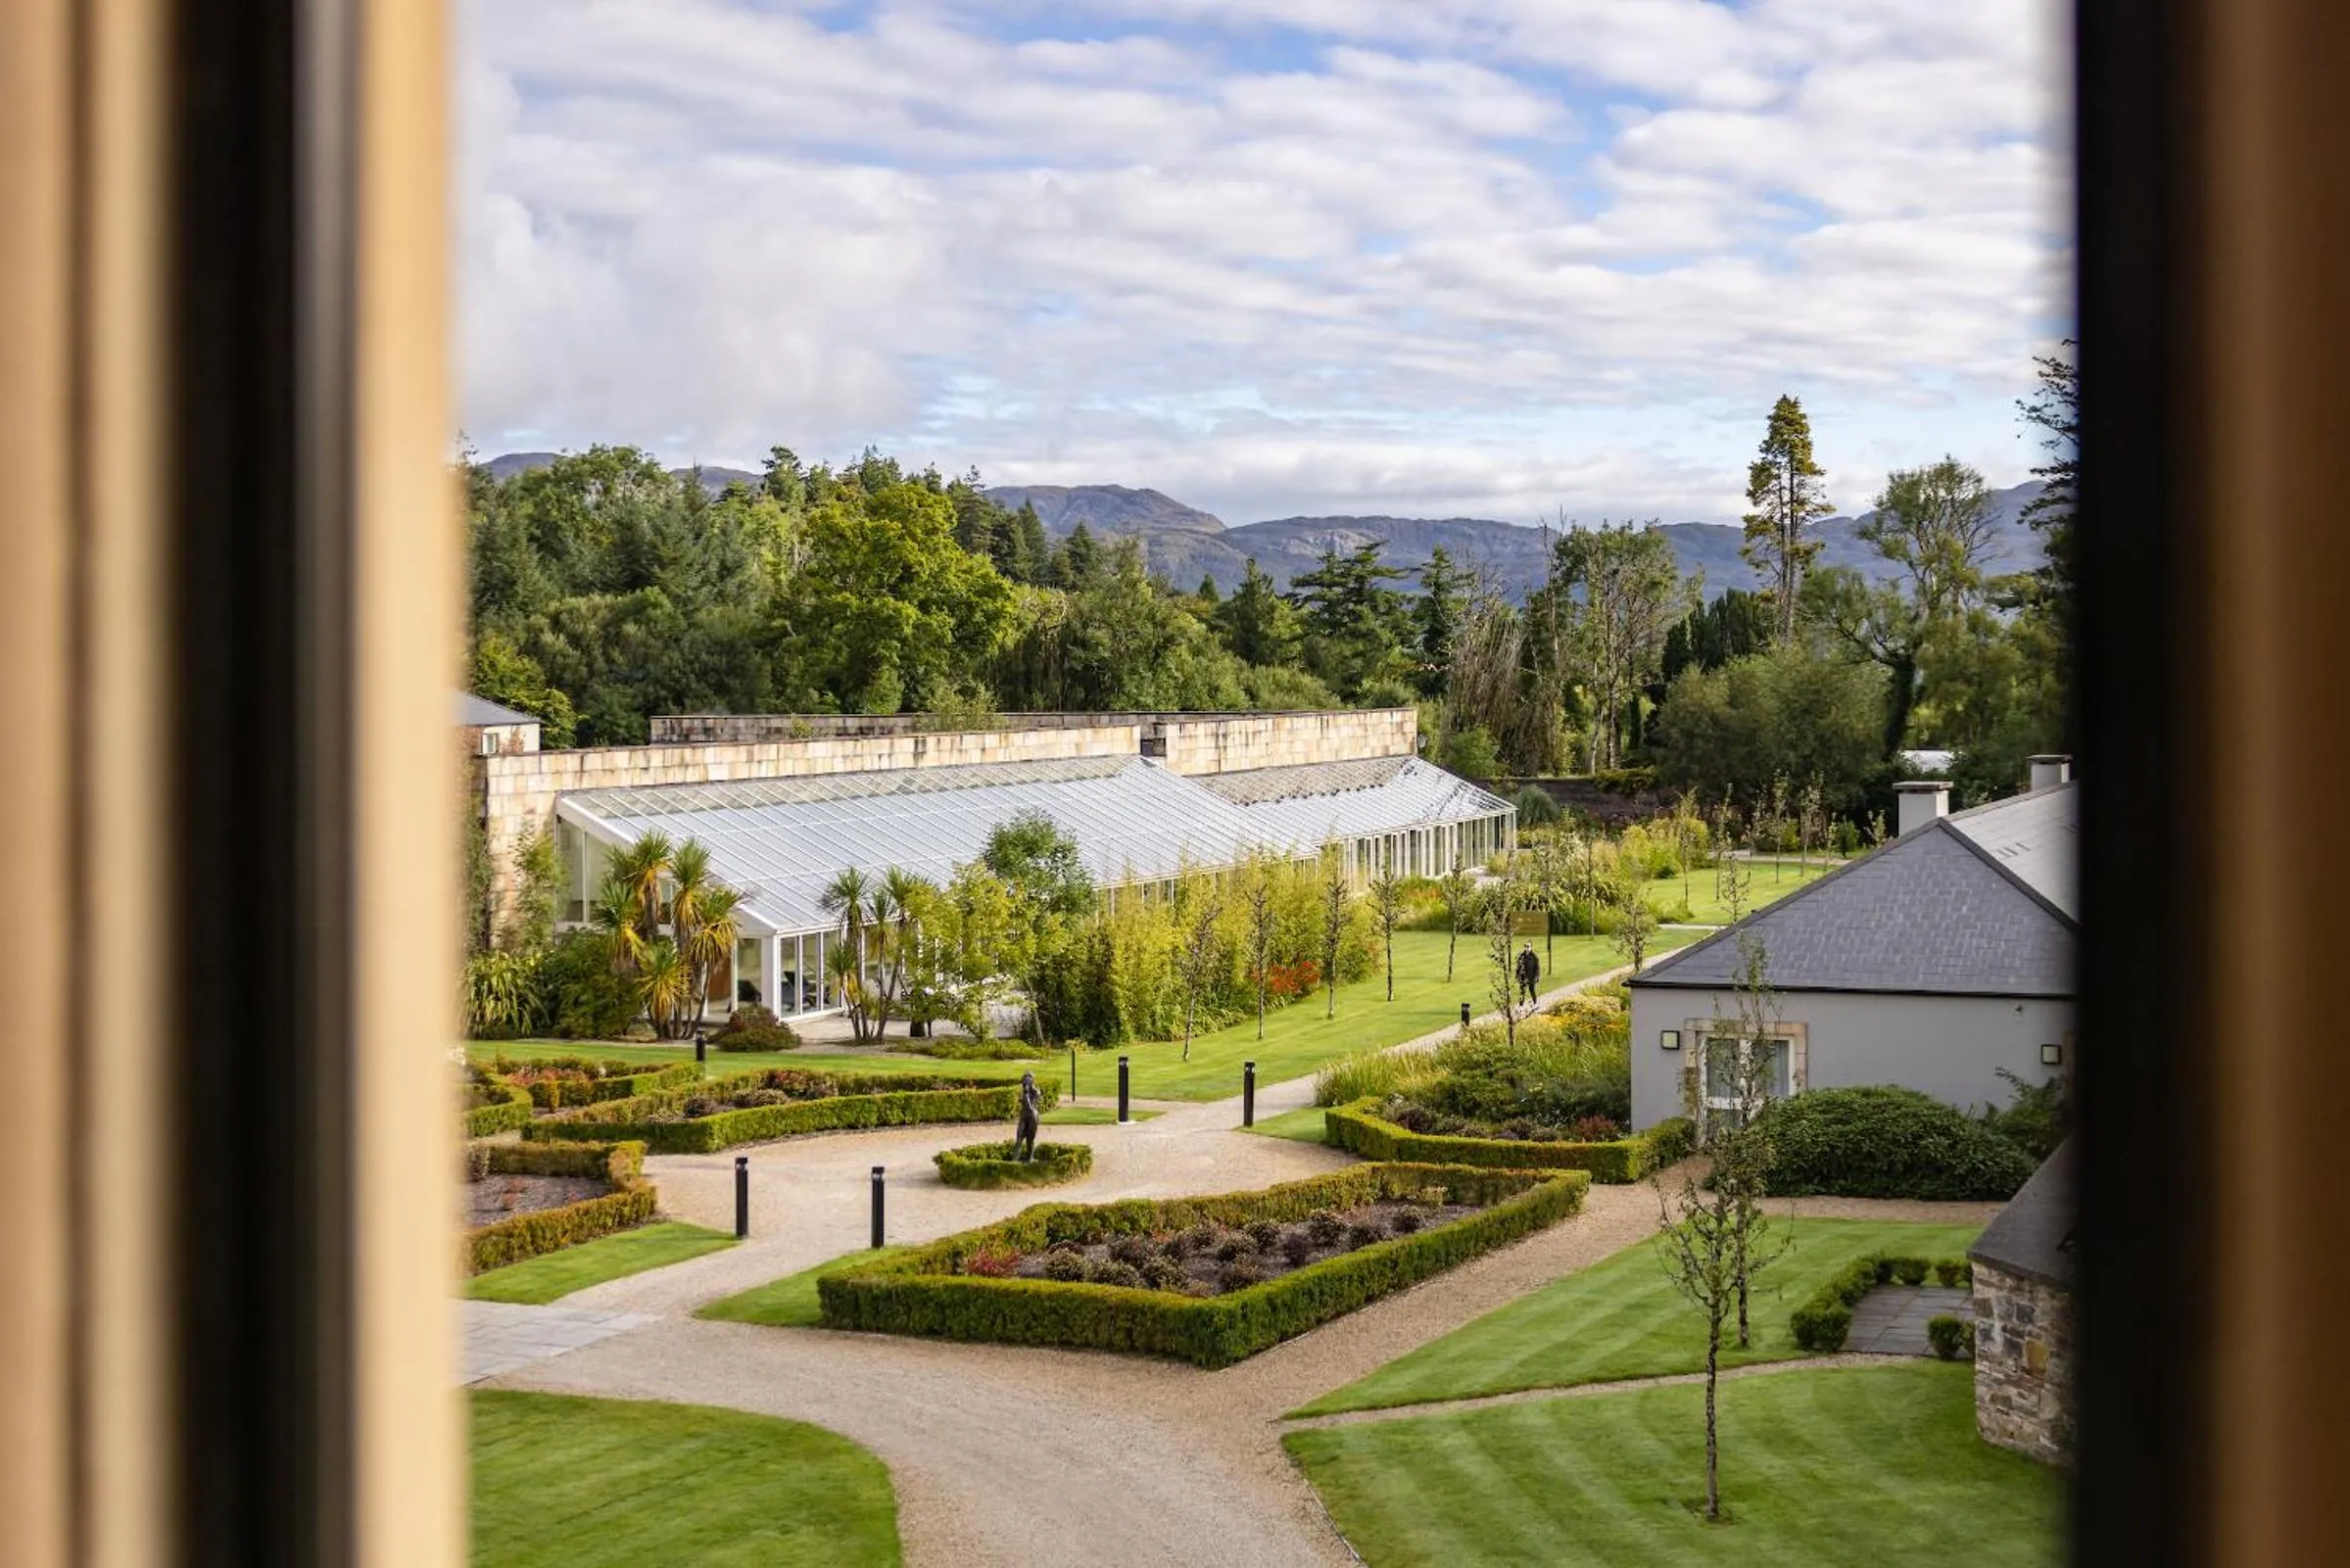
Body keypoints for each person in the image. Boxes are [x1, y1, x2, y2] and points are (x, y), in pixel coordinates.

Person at [1011, 1070, 1043, 1162]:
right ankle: (1014, 1162)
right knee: (1019, 1139)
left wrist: (1026, 1093)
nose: (1024, 1084)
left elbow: (1029, 1106)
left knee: (1030, 1140)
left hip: (1032, 1117)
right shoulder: (1024, 1091)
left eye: (1026, 1082)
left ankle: (1029, 1160)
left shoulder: (1036, 1092)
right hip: (1024, 1116)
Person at [1515, 941, 1541, 1005]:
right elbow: (1518, 966)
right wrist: (1517, 975)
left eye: (1528, 946)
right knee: (1522, 992)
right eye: (1525, 946)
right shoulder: (1521, 956)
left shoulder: (1534, 957)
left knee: (1532, 990)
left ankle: (1535, 1003)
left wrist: (1536, 977)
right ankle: (1521, 1006)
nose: (1526, 948)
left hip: (1531, 977)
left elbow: (1537, 968)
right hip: (1523, 977)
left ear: (1531, 947)